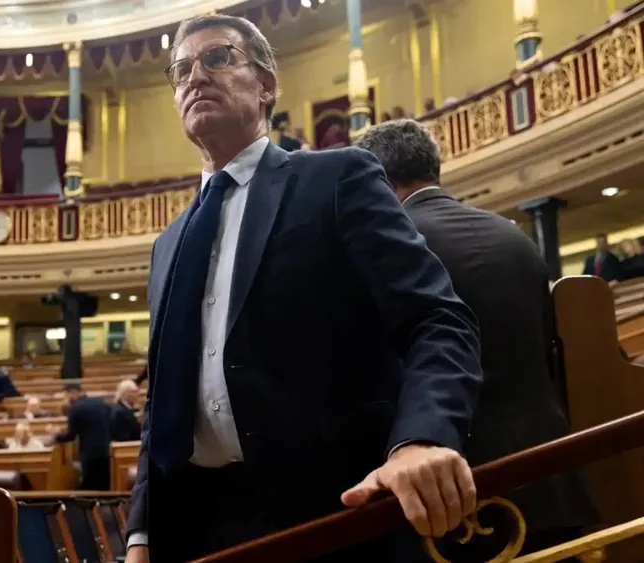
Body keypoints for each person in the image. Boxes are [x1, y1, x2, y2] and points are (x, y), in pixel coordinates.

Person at [126, 15, 482, 563]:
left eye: (217, 58)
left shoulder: (335, 178)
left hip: (333, 515)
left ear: (267, 84)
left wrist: (423, 437)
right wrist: (142, 534)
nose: (195, 76)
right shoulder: (168, 243)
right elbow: (165, 404)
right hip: (201, 526)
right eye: (180, 70)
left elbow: (437, 319)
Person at [356, 119, 600, 557]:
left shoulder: (394, 244)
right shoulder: (514, 235)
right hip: (552, 467)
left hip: (460, 491)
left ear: (375, 181)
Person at [52, 383, 113, 490]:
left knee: (91, 486)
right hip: (106, 449)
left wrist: (56, 436)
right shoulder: (100, 402)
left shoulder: (75, 408)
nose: (66, 399)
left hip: (89, 453)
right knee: (105, 484)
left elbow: (70, 436)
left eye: (66, 396)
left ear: (72, 393)